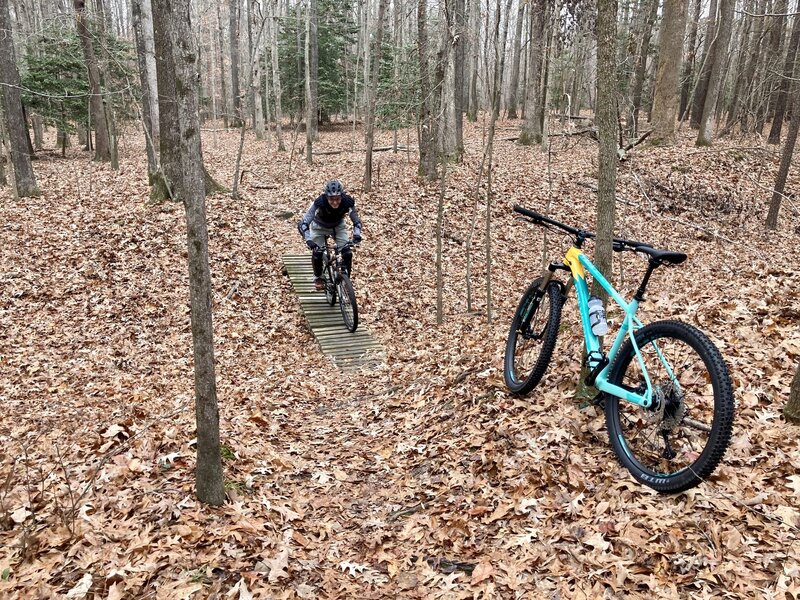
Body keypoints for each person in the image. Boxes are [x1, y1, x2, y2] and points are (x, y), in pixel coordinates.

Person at [298, 179, 362, 290]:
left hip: (338, 226)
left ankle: (345, 278)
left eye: (337, 199)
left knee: (347, 252)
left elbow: (356, 221)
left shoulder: (348, 202)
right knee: (317, 252)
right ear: (327, 197)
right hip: (319, 227)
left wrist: (357, 234)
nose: (335, 202)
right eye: (331, 199)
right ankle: (318, 277)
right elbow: (303, 223)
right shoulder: (319, 202)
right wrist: (308, 240)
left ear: (341, 196)